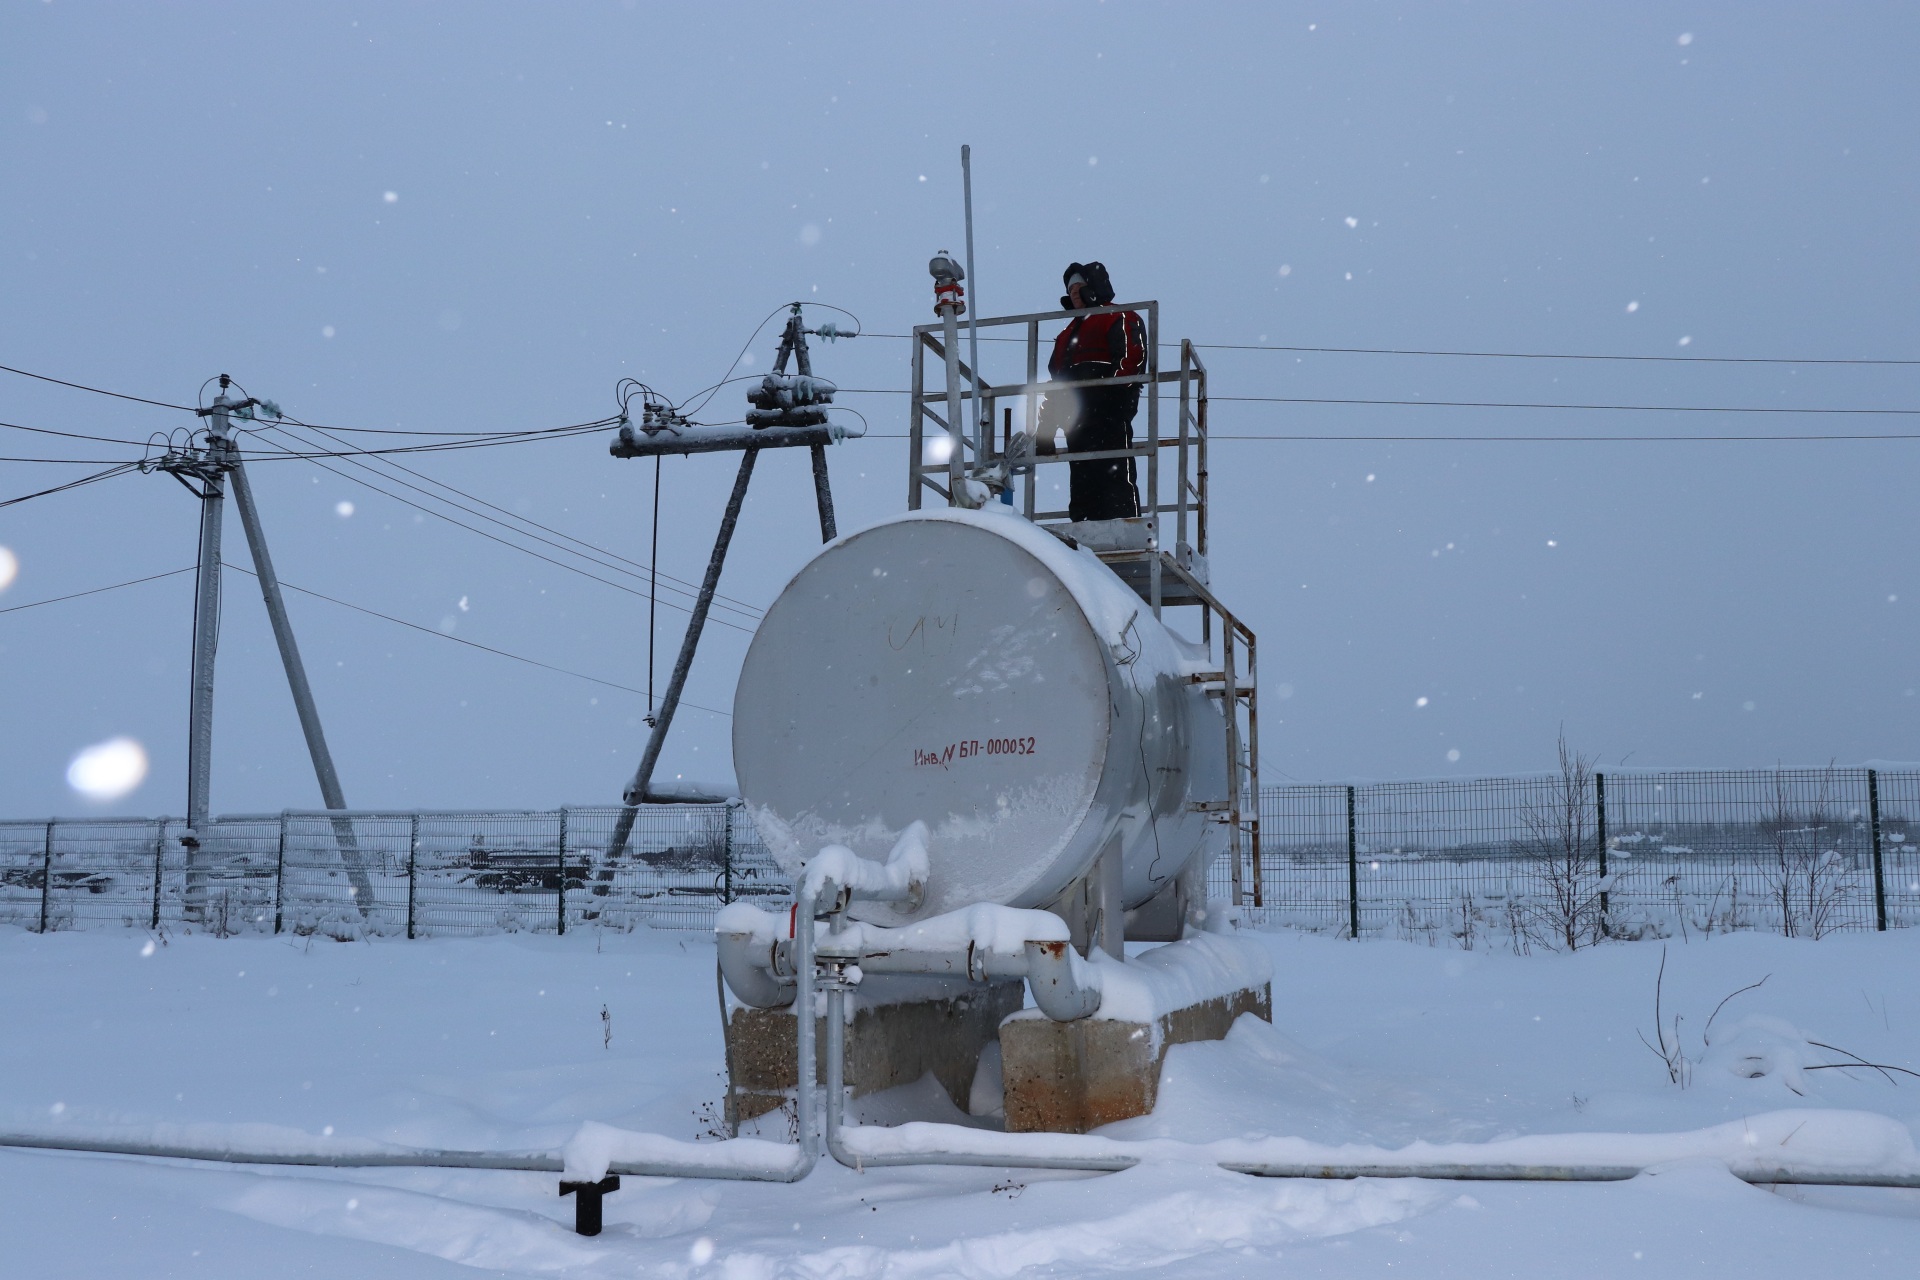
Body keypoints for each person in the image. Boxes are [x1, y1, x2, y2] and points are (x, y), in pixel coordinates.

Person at [1040, 261, 1146, 522]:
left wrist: (1112, 396)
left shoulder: (1118, 315)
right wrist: (1046, 429)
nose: (1074, 292)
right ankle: (1084, 532)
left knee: (1114, 473)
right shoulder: (1066, 333)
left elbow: (1132, 358)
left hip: (1108, 411)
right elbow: (1057, 384)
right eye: (1070, 288)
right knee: (1081, 477)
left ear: (1095, 287)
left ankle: (1124, 528)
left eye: (1080, 286)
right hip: (1074, 418)